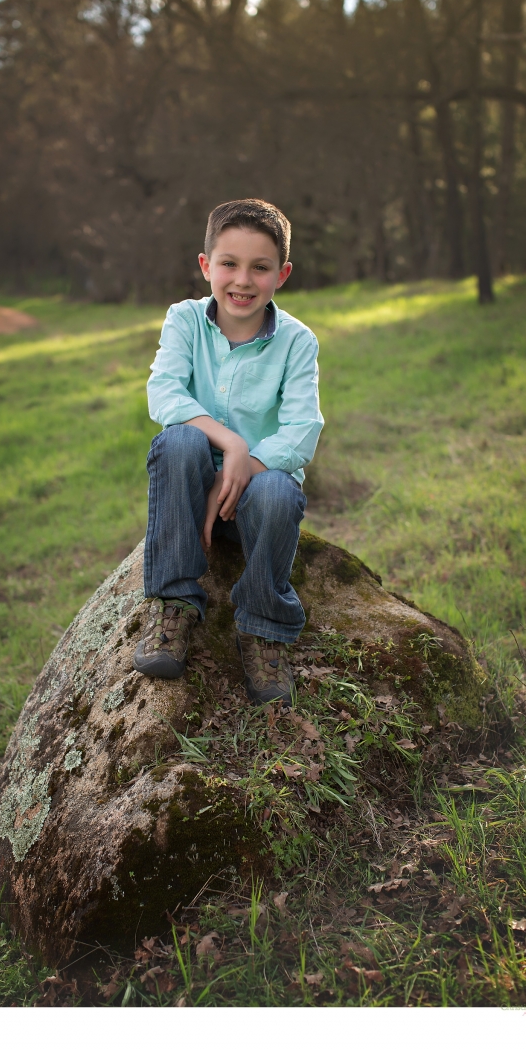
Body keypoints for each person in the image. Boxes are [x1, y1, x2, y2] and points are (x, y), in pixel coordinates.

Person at [133, 198, 324, 708]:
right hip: (191, 495)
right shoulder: (185, 320)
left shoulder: (297, 342)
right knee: (178, 439)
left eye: (260, 267)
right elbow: (164, 394)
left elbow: (303, 430)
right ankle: (174, 603)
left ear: (281, 274)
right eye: (229, 264)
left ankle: (262, 627)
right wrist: (231, 444)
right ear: (205, 266)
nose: (242, 280)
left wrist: (245, 467)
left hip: (256, 500)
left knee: (280, 491)